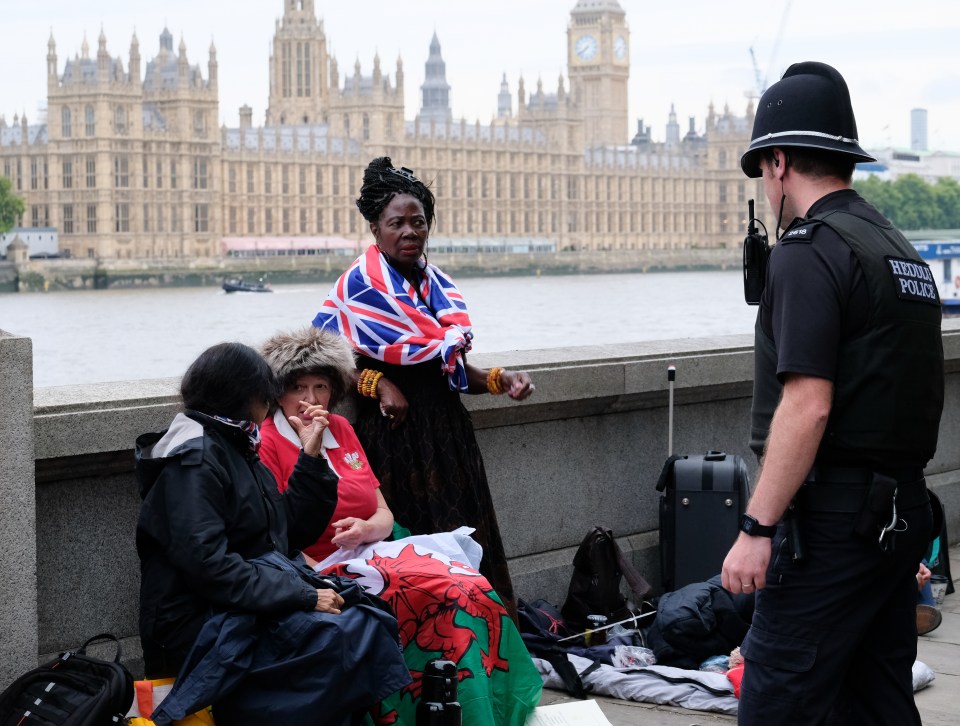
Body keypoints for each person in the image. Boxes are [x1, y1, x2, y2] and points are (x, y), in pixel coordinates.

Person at [721, 61, 944, 725]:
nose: (766, 183)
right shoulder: (895, 248)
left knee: (777, 701)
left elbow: (808, 404)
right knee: (877, 702)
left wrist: (757, 527)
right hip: (900, 514)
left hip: (833, 525)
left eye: (764, 169)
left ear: (780, 162)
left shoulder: (808, 251)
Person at [258, 326, 542, 725]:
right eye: (298, 388)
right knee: (440, 594)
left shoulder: (341, 428)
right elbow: (275, 533)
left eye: (320, 387)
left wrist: (366, 530)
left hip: (376, 547)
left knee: (471, 588)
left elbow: (383, 512)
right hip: (321, 568)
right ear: (278, 393)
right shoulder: (268, 441)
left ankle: (488, 707)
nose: (310, 399)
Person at [135, 342, 409, 724]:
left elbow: (284, 535)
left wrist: (310, 459)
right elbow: (208, 566)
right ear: (245, 397)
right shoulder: (194, 461)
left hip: (242, 600)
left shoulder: (233, 444)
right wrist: (301, 595)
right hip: (197, 620)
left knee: (366, 616)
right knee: (338, 637)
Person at [311, 156, 534, 616]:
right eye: (398, 224)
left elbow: (451, 369)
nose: (410, 232)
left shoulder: (438, 289)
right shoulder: (358, 287)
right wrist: (380, 383)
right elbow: (331, 365)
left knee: (467, 541)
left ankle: (479, 638)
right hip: (394, 443)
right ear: (375, 228)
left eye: (419, 223)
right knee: (407, 551)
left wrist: (499, 380)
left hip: (448, 437)